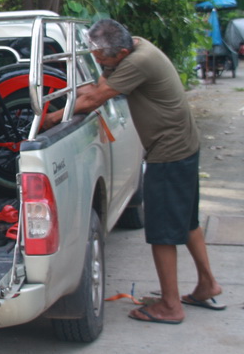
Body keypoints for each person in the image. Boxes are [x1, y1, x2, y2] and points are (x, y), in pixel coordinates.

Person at [43, 18, 224, 325]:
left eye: (103, 60)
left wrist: (50, 118)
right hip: (183, 146)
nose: (100, 65)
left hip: (169, 153)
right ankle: (207, 284)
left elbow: (94, 98)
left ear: (122, 52)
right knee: (187, 221)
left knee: (162, 233)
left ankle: (170, 306)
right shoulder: (134, 48)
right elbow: (97, 87)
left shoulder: (137, 62)